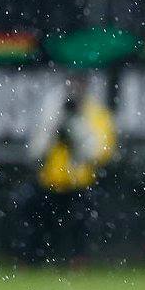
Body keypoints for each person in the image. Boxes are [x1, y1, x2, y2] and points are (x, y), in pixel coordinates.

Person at [17, 72, 116, 264]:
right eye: (71, 84)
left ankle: (78, 262)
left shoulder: (96, 115)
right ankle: (31, 261)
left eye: (79, 85)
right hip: (50, 182)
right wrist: (55, 125)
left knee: (82, 223)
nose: (74, 90)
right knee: (33, 218)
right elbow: (36, 151)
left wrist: (76, 131)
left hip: (80, 184)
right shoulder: (52, 110)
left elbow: (101, 152)